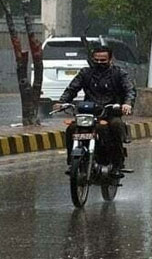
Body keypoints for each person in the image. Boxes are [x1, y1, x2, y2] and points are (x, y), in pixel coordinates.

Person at [56, 38, 135, 178]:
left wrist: (127, 103)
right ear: (92, 59)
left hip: (111, 112)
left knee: (116, 126)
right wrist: (62, 102)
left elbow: (129, 89)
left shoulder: (119, 73)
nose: (99, 63)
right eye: (96, 60)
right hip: (88, 113)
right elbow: (72, 89)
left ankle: (116, 164)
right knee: (72, 129)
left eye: (103, 60)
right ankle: (72, 162)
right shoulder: (85, 73)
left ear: (111, 59)